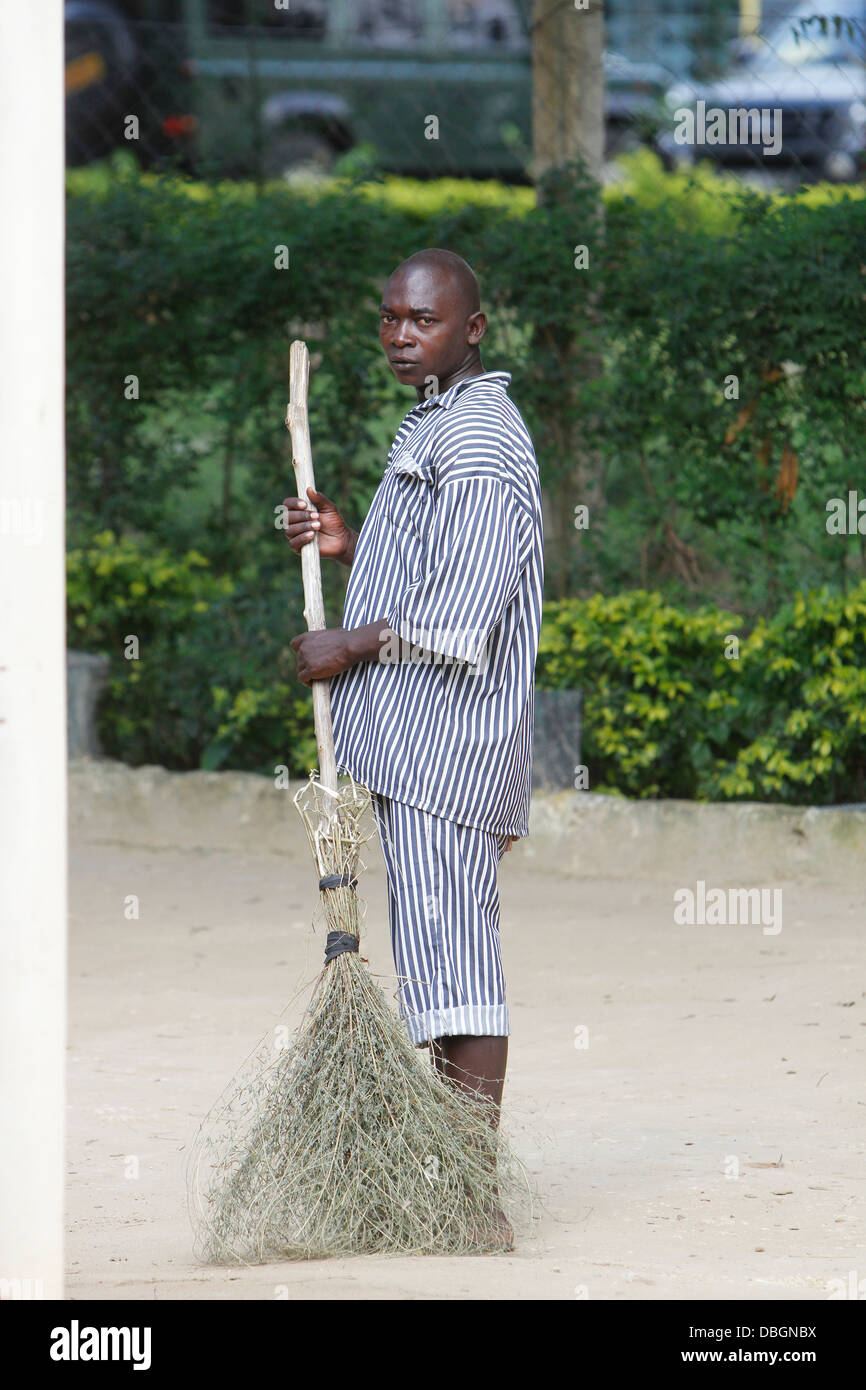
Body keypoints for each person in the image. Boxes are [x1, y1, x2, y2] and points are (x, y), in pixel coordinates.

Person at [283, 248, 543, 1247]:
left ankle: (471, 1203)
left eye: (422, 320)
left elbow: (465, 611)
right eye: (389, 316)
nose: (399, 335)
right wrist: (354, 543)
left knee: (457, 963)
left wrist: (348, 641)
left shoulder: (476, 440)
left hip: (447, 750)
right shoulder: (440, 418)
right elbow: (436, 559)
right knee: (436, 960)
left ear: (470, 328)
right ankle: (441, 1179)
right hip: (415, 744)